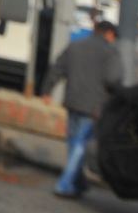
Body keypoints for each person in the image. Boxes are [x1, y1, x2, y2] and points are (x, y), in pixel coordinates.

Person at [39, 18, 121, 198]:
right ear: (108, 34)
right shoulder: (110, 52)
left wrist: (47, 90)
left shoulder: (75, 46)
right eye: (114, 36)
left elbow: (57, 68)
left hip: (72, 101)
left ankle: (78, 182)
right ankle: (64, 184)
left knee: (73, 143)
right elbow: (113, 80)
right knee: (80, 146)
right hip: (93, 107)